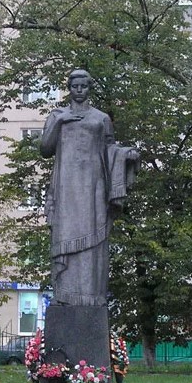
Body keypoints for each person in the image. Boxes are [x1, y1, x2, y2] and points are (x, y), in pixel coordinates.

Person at [39, 70, 139, 306]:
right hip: (66, 186)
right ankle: (65, 293)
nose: (80, 90)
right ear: (69, 88)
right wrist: (61, 122)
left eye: (84, 86)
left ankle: (92, 294)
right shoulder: (57, 116)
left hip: (93, 186)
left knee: (94, 245)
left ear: (89, 88)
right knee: (65, 235)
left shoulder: (101, 118)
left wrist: (126, 155)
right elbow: (45, 149)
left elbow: (109, 149)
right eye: (75, 86)